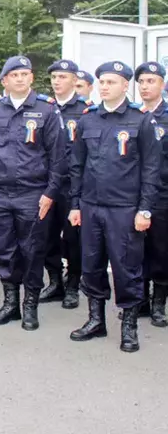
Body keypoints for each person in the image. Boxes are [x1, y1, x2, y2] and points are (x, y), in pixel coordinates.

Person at [68, 61, 160, 353]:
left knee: (126, 268)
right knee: (92, 266)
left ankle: (129, 327)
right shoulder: (88, 119)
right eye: (102, 82)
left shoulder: (141, 120)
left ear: (125, 85)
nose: (105, 87)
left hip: (124, 208)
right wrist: (75, 204)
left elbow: (151, 169)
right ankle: (96, 320)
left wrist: (145, 209)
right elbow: (77, 166)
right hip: (91, 206)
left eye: (111, 82)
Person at [0, 55, 66, 331]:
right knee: (6, 251)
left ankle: (30, 307)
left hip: (33, 194)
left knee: (32, 251)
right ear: (4, 80)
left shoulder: (47, 111)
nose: (19, 78)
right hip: (1, 194)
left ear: (31, 78)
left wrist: (50, 193)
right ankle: (10, 304)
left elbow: (58, 157)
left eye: (24, 74)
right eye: (13, 74)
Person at [40, 60, 93, 308]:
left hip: (73, 184)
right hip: (46, 182)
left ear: (74, 80)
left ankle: (72, 284)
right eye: (54, 77)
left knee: (73, 238)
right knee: (46, 235)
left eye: (63, 77)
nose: (57, 82)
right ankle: (54, 283)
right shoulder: (43, 108)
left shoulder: (85, 110)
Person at [134, 61, 168, 325]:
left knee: (161, 248)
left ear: (162, 84)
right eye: (142, 82)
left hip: (163, 194)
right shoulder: (133, 115)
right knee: (137, 248)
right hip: (135, 194)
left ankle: (159, 303)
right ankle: (140, 300)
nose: (145, 86)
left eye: (151, 81)